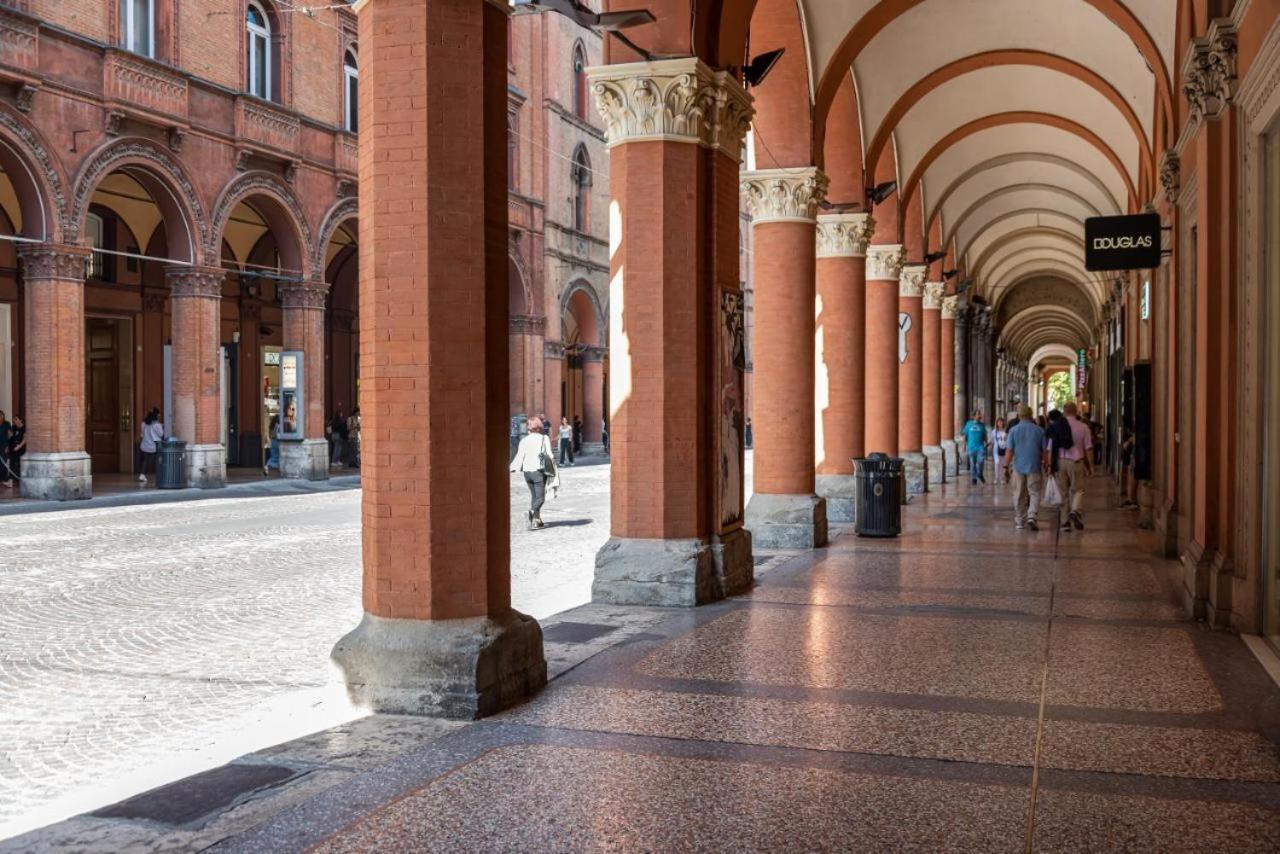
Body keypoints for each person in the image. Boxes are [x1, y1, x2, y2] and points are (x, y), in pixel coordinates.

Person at [510, 416, 557, 529]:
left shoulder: (524, 440)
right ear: (539, 426)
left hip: (527, 472)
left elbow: (519, 456)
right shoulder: (544, 438)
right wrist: (554, 467)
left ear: (529, 427)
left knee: (534, 496)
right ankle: (531, 511)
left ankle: (536, 521)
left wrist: (512, 468)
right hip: (538, 471)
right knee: (541, 498)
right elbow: (549, 454)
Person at [1003, 405, 1046, 530]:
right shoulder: (1039, 430)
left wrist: (1005, 466)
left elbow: (1009, 451)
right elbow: (1044, 451)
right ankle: (1032, 515)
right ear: (1031, 415)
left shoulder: (1013, 430)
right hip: (1035, 465)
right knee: (1035, 492)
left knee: (1019, 493)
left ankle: (1020, 520)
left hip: (1018, 467)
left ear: (1019, 416)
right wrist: (1047, 464)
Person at [1055, 402, 1094, 531]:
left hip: (1060, 461)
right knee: (1078, 489)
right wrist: (1091, 466)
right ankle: (1075, 510)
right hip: (1076, 461)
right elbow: (1088, 448)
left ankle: (1065, 523)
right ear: (1076, 411)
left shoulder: (1057, 427)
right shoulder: (1083, 427)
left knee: (1063, 492)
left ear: (1064, 412)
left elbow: (1050, 447)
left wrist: (1049, 464)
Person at [962, 410, 989, 484]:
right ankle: (974, 478)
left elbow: (985, 435)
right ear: (974, 416)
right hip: (971, 447)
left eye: (980, 414)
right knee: (972, 463)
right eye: (978, 414)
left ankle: (980, 474)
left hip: (980, 447)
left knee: (981, 461)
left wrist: (987, 443)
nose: (980, 415)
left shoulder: (982, 425)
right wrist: (964, 445)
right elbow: (965, 435)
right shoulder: (968, 424)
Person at [138, 408, 164, 484]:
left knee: (144, 460)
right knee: (158, 459)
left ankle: (142, 475)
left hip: (145, 444)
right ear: (156, 415)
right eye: (158, 414)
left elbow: (142, 434)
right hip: (155, 445)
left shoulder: (143, 423)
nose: (159, 416)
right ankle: (160, 474)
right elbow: (161, 434)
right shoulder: (157, 425)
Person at [3, 414, 25, 487]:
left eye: (16, 419)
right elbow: (10, 438)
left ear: (20, 420)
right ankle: (10, 482)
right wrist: (7, 446)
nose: (14, 421)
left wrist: (19, 446)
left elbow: (25, 439)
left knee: (19, 465)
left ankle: (20, 481)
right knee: (12, 464)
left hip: (20, 449)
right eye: (13, 419)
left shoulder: (24, 428)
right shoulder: (13, 427)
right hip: (13, 448)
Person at [991, 417, 1009, 483]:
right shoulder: (994, 432)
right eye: (999, 422)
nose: (1000, 423)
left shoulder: (1006, 431)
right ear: (997, 423)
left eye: (1002, 422)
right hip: (996, 449)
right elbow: (992, 440)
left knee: (1003, 463)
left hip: (1005, 448)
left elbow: (1008, 440)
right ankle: (996, 478)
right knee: (997, 463)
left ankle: (1002, 478)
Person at [0, 411, 10, 488]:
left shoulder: (7, 424)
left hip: (4, 446)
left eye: (1, 415)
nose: (0, 417)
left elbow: (10, 434)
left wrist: (7, 445)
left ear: (3, 416)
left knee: (3, 462)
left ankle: (5, 479)